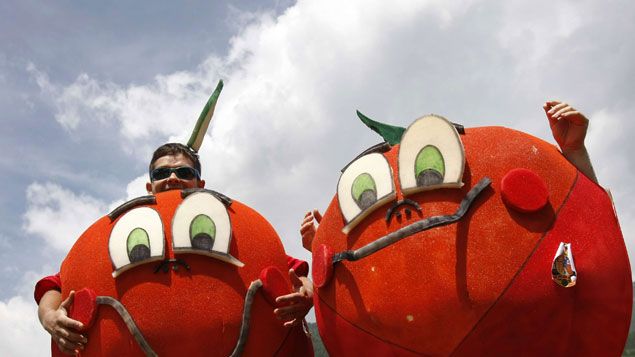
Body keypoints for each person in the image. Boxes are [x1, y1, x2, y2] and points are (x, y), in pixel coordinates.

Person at [35, 143, 314, 355]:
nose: (172, 178)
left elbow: (291, 270)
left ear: (200, 183)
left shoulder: (230, 224)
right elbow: (56, 284)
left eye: (183, 171)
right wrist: (50, 317)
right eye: (162, 173)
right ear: (150, 185)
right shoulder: (124, 230)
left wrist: (307, 294)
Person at [300, 101, 598, 251]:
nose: (405, 209)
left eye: (432, 172)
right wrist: (327, 247)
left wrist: (575, 154)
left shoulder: (494, 248)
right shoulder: (402, 282)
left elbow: (586, 230)